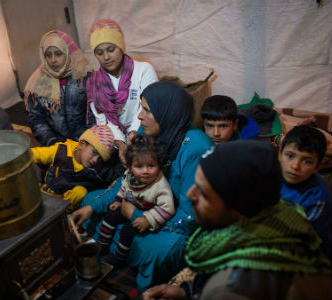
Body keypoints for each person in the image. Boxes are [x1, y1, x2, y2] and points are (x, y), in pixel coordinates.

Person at [143, 140, 331, 300]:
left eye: (205, 194)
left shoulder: (229, 288)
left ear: (239, 211)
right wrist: (186, 292)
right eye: (195, 184)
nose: (191, 195)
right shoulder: (281, 214)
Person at [71, 81, 213, 290]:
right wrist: (93, 208)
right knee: (90, 200)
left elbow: (190, 217)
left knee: (157, 249)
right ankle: (121, 250)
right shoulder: (151, 133)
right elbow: (130, 179)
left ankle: (127, 256)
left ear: (167, 113)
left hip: (175, 219)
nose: (139, 116)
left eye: (147, 110)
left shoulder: (197, 150)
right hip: (143, 202)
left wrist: (135, 216)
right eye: (141, 108)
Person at [86, 19, 159, 164]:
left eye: (111, 49)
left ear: (121, 47)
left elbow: (148, 109)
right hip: (114, 139)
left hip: (145, 133)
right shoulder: (94, 83)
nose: (106, 57)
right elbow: (103, 120)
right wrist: (120, 144)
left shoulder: (143, 70)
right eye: (99, 53)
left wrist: (133, 134)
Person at [98, 134, 174, 267]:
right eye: (139, 167)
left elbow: (167, 208)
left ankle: (119, 257)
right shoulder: (130, 175)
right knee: (110, 216)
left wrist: (148, 220)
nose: (145, 171)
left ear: (159, 165)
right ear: (130, 167)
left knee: (127, 231)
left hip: (145, 214)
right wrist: (119, 200)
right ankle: (102, 245)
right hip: (130, 205)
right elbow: (125, 187)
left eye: (151, 166)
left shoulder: (160, 185)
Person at [24, 30, 94, 146]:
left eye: (58, 53)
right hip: (56, 144)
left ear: (68, 53)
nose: (53, 60)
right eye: (48, 55)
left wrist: (88, 143)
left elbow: (95, 113)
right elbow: (37, 119)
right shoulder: (36, 82)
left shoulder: (84, 76)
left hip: (87, 142)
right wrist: (53, 144)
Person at [31, 125, 115, 210]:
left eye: (100, 158)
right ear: (81, 144)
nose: (95, 160)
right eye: (94, 152)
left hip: (65, 203)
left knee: (81, 192)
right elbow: (34, 154)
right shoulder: (61, 151)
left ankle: (64, 212)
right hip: (46, 194)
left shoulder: (95, 170)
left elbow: (107, 181)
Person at [279, 124, 331, 258]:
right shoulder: (271, 174)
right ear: (279, 154)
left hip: (308, 254)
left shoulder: (317, 194)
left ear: (317, 167)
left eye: (306, 161)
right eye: (290, 156)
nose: (295, 166)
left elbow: (300, 237)